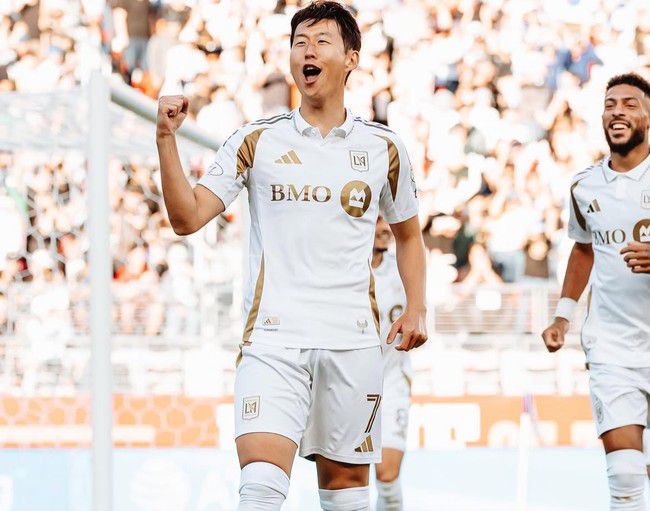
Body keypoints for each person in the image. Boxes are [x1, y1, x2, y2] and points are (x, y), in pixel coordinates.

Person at [155, 2, 428, 510]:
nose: (308, 50)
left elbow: (410, 236)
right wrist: (166, 140)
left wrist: (416, 307)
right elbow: (186, 218)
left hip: (352, 343)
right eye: (299, 42)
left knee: (347, 499)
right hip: (273, 342)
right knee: (259, 490)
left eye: (322, 41)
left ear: (351, 58)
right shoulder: (255, 140)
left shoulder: (384, 148)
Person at [542, 72, 650, 511]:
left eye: (630, 103)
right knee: (625, 476)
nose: (617, 111)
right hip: (612, 347)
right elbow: (583, 249)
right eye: (610, 105)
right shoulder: (584, 186)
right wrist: (562, 315)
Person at [371, 216, 411, 511]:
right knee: (347, 481)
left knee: (387, 474)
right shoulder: (341, 267)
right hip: (347, 381)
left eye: (388, 220)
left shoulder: (404, 267)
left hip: (393, 378)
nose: (385, 228)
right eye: (377, 220)